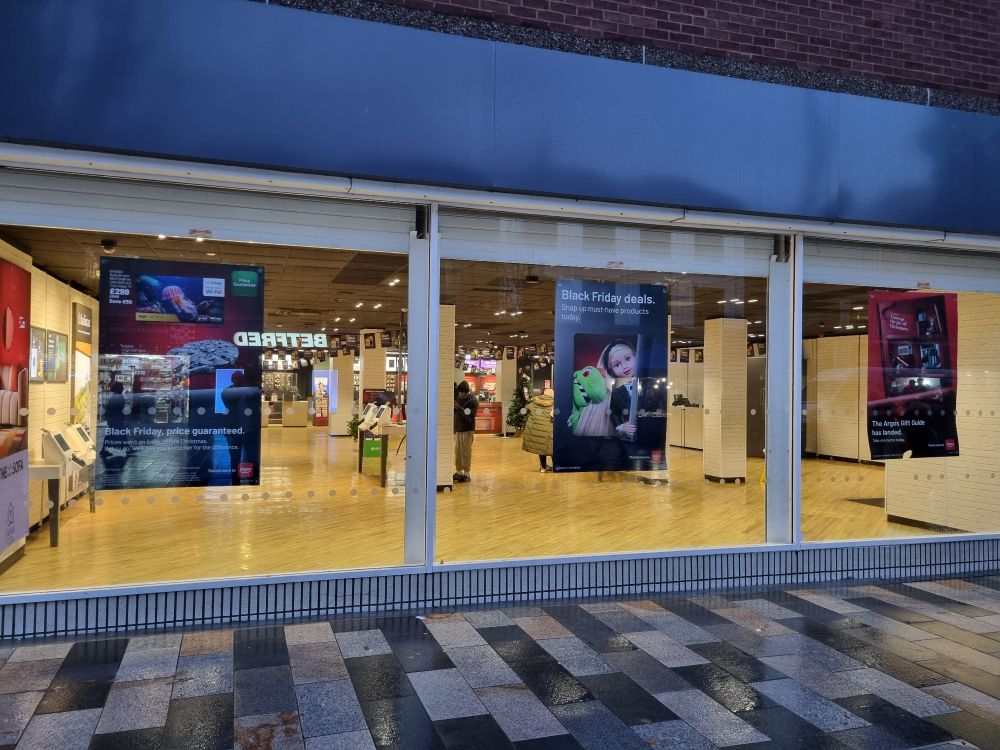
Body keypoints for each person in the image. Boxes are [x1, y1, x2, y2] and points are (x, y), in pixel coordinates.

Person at [600, 339, 638, 439]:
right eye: (617, 365)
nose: (625, 366)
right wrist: (621, 427)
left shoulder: (646, 381)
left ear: (635, 357)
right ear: (611, 370)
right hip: (628, 436)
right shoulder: (614, 392)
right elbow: (612, 413)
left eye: (628, 359)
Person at [522, 388, 554, 471]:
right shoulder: (555, 404)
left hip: (536, 430)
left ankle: (543, 468)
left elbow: (524, 411)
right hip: (548, 430)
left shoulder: (534, 402)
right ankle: (556, 466)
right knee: (551, 449)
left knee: (540, 448)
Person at [453, 380, 478, 483]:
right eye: (459, 392)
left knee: (465, 452)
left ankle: (467, 474)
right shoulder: (459, 397)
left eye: (462, 393)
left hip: (467, 429)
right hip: (459, 429)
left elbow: (468, 415)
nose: (460, 394)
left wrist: (458, 407)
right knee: (458, 452)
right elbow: (457, 412)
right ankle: (459, 472)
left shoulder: (473, 401)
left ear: (467, 392)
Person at [100, 382, 128, 458]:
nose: (123, 388)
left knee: (113, 434)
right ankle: (127, 449)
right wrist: (123, 418)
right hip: (116, 419)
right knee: (117, 433)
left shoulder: (114, 395)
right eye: (122, 386)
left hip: (113, 418)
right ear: (119, 388)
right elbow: (119, 409)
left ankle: (104, 450)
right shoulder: (118, 396)